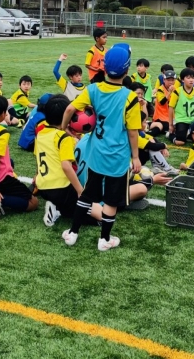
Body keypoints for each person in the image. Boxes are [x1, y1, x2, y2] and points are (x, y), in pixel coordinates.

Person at [61, 43, 141, 251]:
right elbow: (133, 132)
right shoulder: (130, 97)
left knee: (87, 194)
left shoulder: (92, 89)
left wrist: (64, 128)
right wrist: (135, 157)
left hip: (96, 153)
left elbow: (69, 109)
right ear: (127, 70)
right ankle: (104, 239)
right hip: (117, 158)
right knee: (111, 201)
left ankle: (73, 233)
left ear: (104, 68)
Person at [34, 94, 103, 227]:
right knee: (101, 217)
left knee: (73, 208)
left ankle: (58, 206)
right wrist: (80, 191)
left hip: (43, 187)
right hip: (61, 189)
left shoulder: (40, 134)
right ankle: (58, 209)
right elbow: (66, 166)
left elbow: (38, 160)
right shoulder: (63, 137)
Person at [169, 68, 194, 146]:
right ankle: (171, 135)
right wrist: (171, 124)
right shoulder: (177, 92)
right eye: (188, 78)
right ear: (182, 80)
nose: (191, 80)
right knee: (180, 142)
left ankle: (188, 134)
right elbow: (171, 108)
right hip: (182, 120)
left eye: (193, 78)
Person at [148, 69, 176, 137]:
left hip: (171, 117)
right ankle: (148, 127)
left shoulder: (176, 89)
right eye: (168, 80)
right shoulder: (160, 89)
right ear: (164, 80)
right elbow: (162, 102)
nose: (170, 82)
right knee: (165, 127)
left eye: (172, 80)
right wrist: (169, 92)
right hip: (160, 117)